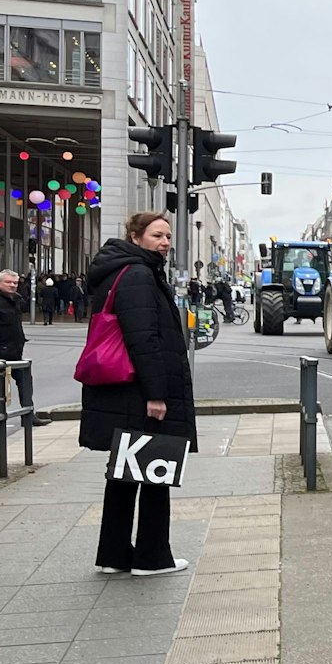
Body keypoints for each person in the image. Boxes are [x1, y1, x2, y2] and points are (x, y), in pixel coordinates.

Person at [81, 212, 196, 575]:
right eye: (157, 236)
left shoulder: (122, 270)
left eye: (166, 237)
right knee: (153, 472)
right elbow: (143, 339)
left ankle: (113, 555)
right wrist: (156, 394)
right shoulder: (139, 275)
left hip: (121, 391)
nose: (164, 242)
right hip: (138, 391)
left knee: (123, 473)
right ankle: (152, 557)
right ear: (135, 237)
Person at [0, 267, 48, 426]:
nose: (12, 285)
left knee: (25, 381)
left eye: (15, 283)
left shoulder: (13, 300)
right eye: (8, 282)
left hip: (14, 352)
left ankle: (28, 415)